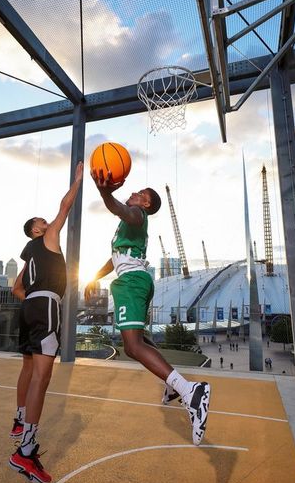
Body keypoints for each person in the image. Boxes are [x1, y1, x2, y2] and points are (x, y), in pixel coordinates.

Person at [85, 170, 211, 446]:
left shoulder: (136, 216)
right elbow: (114, 256)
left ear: (145, 205)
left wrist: (105, 192)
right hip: (136, 280)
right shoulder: (129, 226)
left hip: (131, 283)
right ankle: (171, 385)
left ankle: (190, 391)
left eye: (140, 194)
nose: (134, 193)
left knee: (131, 346)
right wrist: (94, 276)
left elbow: (119, 208)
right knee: (140, 340)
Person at [8, 162, 84, 483]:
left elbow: (16, 289)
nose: (46, 220)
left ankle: (20, 419)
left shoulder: (29, 257)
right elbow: (65, 206)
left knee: (28, 369)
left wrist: (33, 303)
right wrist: (78, 180)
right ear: (36, 229)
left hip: (29, 307)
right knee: (42, 375)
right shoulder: (49, 236)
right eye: (41, 220)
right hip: (47, 305)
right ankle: (26, 450)